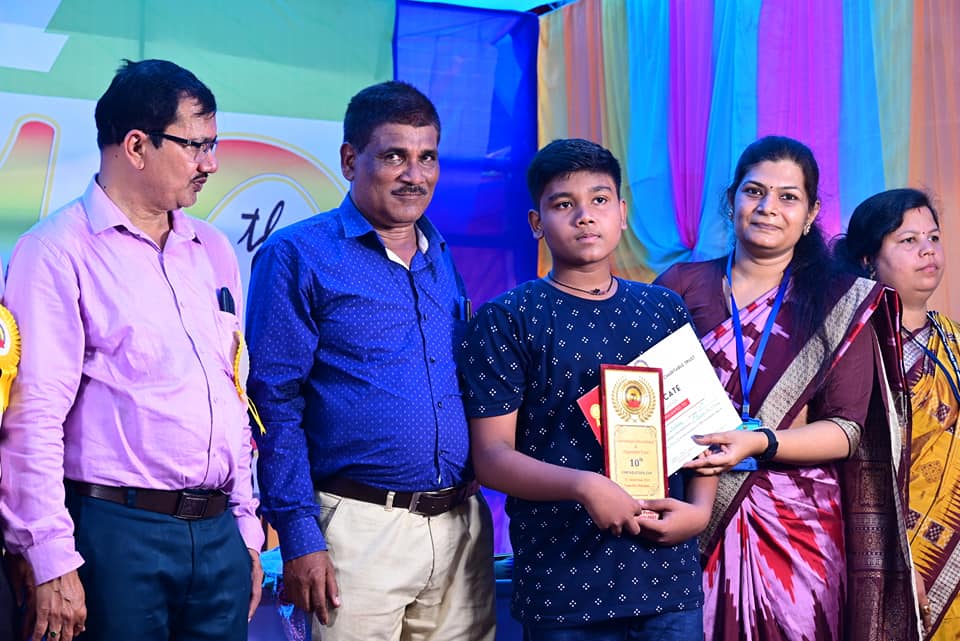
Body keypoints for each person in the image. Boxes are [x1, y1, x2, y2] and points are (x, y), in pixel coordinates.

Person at [0, 59, 263, 641]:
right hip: (117, 534)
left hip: (218, 533)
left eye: (214, 145)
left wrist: (246, 530)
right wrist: (49, 557)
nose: (211, 164)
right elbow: (32, 417)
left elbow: (234, 396)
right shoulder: (56, 252)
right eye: (196, 146)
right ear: (137, 146)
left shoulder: (213, 250)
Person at [246, 80, 496, 641]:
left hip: (461, 528)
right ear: (349, 160)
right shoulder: (298, 254)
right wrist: (300, 536)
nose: (415, 175)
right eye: (394, 156)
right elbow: (273, 404)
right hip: (358, 531)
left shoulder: (440, 254)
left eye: (428, 157)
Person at [654, 136, 918, 641]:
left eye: (788, 197)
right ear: (731, 198)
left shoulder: (839, 300)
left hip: (800, 528)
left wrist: (759, 442)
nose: (768, 207)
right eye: (754, 191)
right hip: (691, 512)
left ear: (811, 212)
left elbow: (846, 430)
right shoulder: (681, 285)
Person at [457, 138, 716, 641]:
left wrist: (700, 512)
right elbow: (491, 458)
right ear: (537, 223)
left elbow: (700, 429)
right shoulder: (509, 318)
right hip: (563, 581)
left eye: (599, 200)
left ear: (622, 214)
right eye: (563, 204)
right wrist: (585, 485)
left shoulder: (662, 309)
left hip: (665, 576)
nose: (585, 216)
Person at [835, 188, 957, 638]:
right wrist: (901, 559)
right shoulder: (850, 347)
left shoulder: (954, 342)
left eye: (933, 237)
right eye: (908, 240)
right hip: (880, 552)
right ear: (868, 259)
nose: (928, 250)